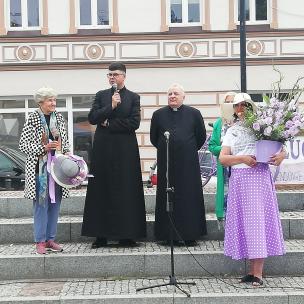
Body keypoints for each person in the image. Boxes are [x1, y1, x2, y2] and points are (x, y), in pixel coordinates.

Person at [219, 92, 286, 286]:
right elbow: (223, 158)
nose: (240, 110)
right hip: (240, 177)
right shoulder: (232, 131)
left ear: (250, 108)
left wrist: (282, 155)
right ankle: (251, 271)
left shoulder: (263, 127)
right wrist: (242, 159)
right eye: (237, 106)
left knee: (258, 221)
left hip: (259, 176)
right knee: (245, 223)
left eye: (244, 106)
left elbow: (280, 147)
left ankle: (258, 272)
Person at [81, 62, 146, 248]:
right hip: (103, 150)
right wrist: (110, 106)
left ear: (124, 76)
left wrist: (109, 124)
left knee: (127, 190)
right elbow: (93, 118)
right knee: (101, 189)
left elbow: (134, 123)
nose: (112, 77)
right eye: (109, 74)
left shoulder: (133, 97)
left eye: (115, 74)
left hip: (125, 150)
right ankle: (100, 235)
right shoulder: (101, 96)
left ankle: (127, 235)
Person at [150, 83, 207, 246]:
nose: (172, 96)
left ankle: (190, 234)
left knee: (189, 196)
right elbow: (154, 138)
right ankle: (167, 234)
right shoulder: (158, 114)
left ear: (183, 96)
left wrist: (186, 148)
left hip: (188, 163)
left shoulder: (194, 114)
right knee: (167, 196)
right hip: (166, 162)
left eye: (175, 93)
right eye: (169, 94)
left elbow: (200, 137)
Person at [19, 87, 70, 254]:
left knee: (55, 203)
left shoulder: (59, 118)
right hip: (38, 169)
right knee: (41, 204)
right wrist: (44, 147)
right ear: (41, 102)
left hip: (57, 167)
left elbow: (65, 142)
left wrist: (66, 152)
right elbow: (23, 145)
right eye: (50, 100)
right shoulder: (33, 118)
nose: (53, 103)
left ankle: (50, 239)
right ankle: (40, 241)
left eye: (54, 100)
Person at [208, 91, 237, 225]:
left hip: (240, 166)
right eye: (227, 102)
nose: (230, 104)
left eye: (233, 101)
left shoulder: (244, 122)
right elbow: (213, 146)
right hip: (224, 166)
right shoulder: (219, 123)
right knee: (225, 196)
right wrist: (226, 150)